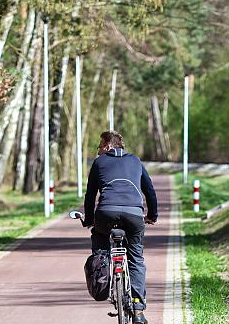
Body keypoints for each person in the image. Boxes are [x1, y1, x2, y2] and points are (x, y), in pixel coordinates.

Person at [83, 131, 158, 324]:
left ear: (108, 146)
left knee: (100, 242)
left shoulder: (99, 163)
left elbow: (90, 195)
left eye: (99, 146)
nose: (98, 150)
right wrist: (152, 216)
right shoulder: (136, 161)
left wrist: (89, 219)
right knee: (136, 260)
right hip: (134, 215)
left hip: (105, 213)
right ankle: (138, 310)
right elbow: (149, 190)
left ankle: (103, 272)